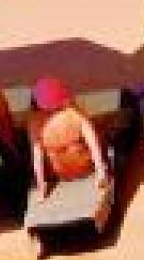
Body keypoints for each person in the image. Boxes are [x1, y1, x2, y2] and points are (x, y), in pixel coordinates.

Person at [27, 74, 111, 233]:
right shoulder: (74, 113)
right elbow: (93, 142)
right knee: (101, 132)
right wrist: (100, 170)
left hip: (62, 174)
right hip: (85, 169)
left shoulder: (35, 123)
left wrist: (42, 186)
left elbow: (37, 158)